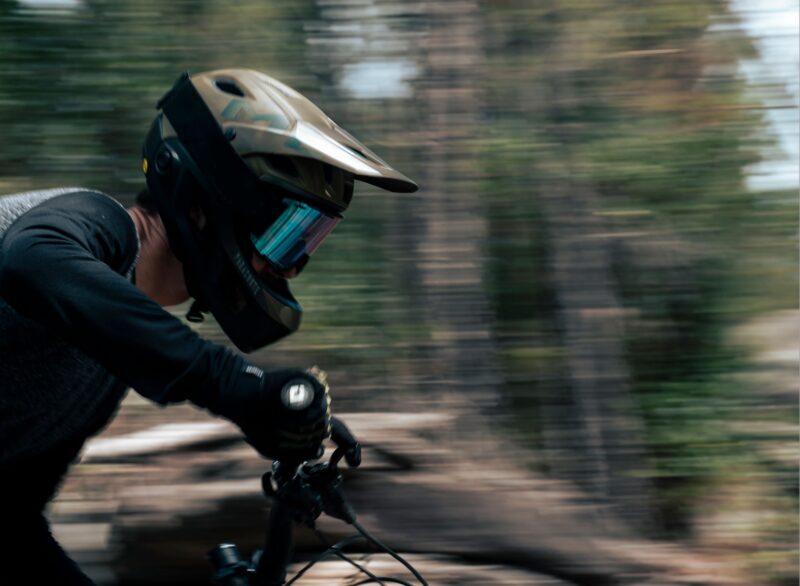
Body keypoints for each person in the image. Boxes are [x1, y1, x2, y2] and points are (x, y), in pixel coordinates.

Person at [0, 68, 417, 584]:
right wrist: (233, 384)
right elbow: (30, 262)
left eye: (307, 241)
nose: (291, 268)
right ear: (204, 205)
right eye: (285, 234)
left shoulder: (109, 365)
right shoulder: (90, 223)